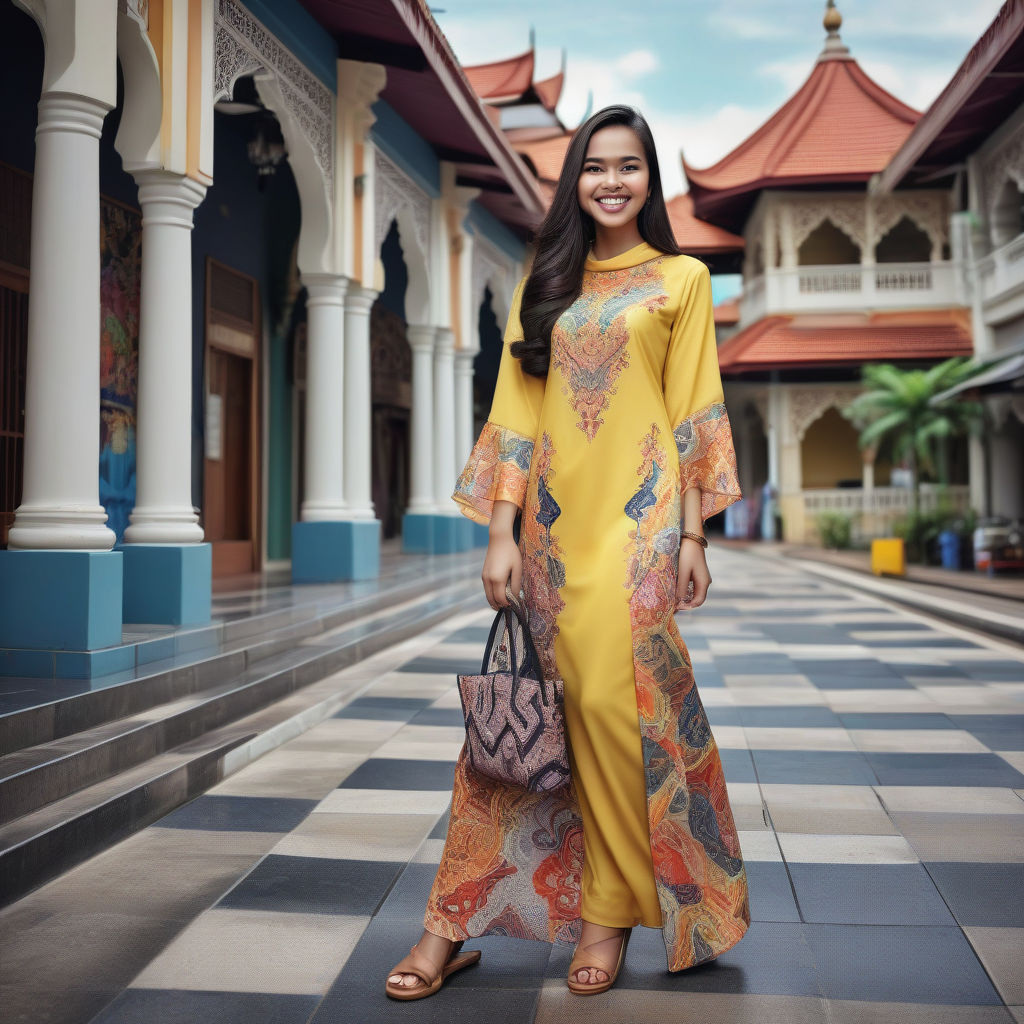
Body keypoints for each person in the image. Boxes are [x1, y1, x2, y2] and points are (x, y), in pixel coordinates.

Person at [386, 104, 750, 1000]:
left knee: (612, 709)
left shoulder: (683, 280)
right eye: (596, 167)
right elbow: (515, 416)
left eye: (629, 167)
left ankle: (604, 913)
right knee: (528, 719)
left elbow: (696, 409)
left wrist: (696, 533)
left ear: (648, 180)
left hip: (642, 520)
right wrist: (502, 534)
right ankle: (446, 924)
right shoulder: (543, 282)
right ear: (575, 180)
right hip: (551, 527)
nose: (612, 181)